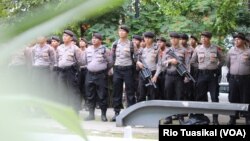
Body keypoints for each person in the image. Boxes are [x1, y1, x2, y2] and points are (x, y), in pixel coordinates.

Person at [190, 31, 225, 125]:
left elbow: (223, 59)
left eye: (205, 37)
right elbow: (192, 61)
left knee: (214, 97)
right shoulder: (197, 48)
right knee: (200, 96)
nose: (203, 39)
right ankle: (200, 117)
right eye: (202, 37)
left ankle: (215, 119)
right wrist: (200, 66)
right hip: (201, 75)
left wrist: (217, 67)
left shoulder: (215, 48)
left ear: (209, 38)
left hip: (212, 75)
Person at [152, 32, 187, 123]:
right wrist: (170, 61)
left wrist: (179, 63)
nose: (174, 40)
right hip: (168, 75)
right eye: (172, 38)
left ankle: (180, 117)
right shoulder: (166, 51)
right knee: (168, 96)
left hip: (179, 76)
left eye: (175, 38)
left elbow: (188, 64)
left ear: (179, 39)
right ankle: (168, 117)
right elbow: (160, 64)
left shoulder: (183, 50)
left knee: (179, 96)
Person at [83, 33, 112, 122]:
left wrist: (104, 70)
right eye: (93, 38)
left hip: (101, 75)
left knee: (102, 95)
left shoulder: (105, 50)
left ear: (100, 40)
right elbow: (84, 61)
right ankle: (91, 115)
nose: (93, 40)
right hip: (90, 74)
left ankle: (103, 115)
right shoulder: (88, 50)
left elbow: (110, 62)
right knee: (90, 95)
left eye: (96, 38)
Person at [111, 25, 136, 122]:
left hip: (128, 69)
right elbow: (112, 56)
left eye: (123, 31)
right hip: (117, 69)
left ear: (127, 33)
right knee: (117, 91)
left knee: (130, 91)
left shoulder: (131, 44)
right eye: (119, 31)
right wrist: (112, 67)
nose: (121, 32)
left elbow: (135, 57)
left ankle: (130, 113)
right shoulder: (115, 43)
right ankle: (116, 113)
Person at [226, 33, 250, 125]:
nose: (236, 41)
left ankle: (247, 118)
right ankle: (233, 118)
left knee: (246, 98)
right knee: (232, 98)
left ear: (243, 41)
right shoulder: (231, 51)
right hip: (233, 78)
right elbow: (228, 63)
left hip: (245, 79)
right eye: (235, 40)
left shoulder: (248, 51)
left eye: (238, 39)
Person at [56, 30, 82, 111]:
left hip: (71, 71)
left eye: (66, 36)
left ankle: (75, 110)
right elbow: (57, 59)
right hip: (61, 71)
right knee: (61, 90)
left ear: (71, 38)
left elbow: (80, 61)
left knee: (73, 91)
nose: (64, 37)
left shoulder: (75, 48)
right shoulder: (59, 48)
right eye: (63, 36)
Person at [136, 32, 159, 101]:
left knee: (152, 94)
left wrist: (156, 75)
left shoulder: (156, 50)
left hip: (152, 73)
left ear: (152, 39)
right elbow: (136, 60)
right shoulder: (141, 50)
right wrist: (138, 62)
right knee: (141, 93)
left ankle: (152, 110)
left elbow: (160, 64)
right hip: (143, 73)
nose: (147, 39)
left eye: (149, 38)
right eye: (146, 38)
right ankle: (141, 111)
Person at [132, 35, 142, 102]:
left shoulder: (142, 50)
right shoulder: (130, 49)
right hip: (131, 71)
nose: (134, 42)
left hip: (140, 72)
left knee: (139, 89)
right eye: (133, 40)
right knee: (130, 89)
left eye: (136, 40)